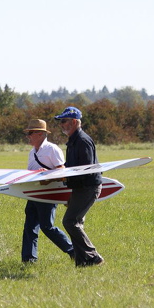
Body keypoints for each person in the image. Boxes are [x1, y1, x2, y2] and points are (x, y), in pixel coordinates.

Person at [54, 107, 105, 266]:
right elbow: (71, 166)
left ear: (74, 122)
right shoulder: (73, 141)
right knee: (75, 222)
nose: (61, 125)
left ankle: (93, 256)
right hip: (80, 187)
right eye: (60, 122)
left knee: (70, 221)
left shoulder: (82, 141)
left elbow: (87, 169)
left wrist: (67, 177)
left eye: (64, 121)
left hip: (88, 187)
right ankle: (82, 261)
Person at [21, 119, 75, 263]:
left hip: (48, 194)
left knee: (47, 227)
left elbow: (61, 170)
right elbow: (30, 172)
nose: (28, 136)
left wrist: (47, 174)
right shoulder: (32, 152)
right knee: (29, 227)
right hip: (34, 192)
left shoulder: (52, 149)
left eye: (30, 133)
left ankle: (73, 250)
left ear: (40, 134)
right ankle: (29, 259)